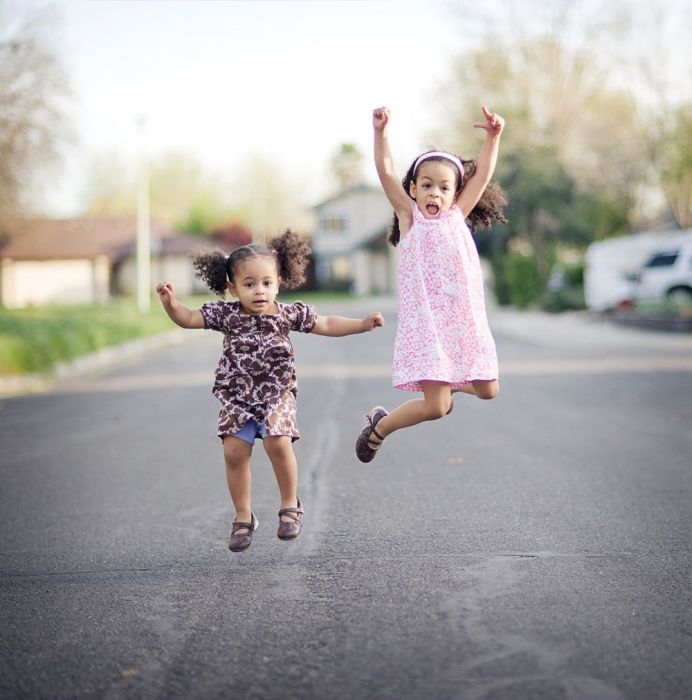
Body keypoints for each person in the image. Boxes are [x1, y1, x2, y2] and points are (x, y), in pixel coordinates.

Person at [157, 230, 384, 552]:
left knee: (278, 442)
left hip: (277, 392)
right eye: (249, 284)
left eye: (266, 283)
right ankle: (243, 516)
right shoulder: (227, 315)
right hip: (237, 396)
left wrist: (361, 324)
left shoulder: (287, 313)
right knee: (234, 452)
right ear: (232, 288)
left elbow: (327, 324)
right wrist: (171, 304)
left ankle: (290, 505)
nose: (259, 291)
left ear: (278, 282)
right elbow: (190, 319)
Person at [355, 105, 508, 463]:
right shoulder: (410, 219)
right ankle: (379, 428)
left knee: (489, 389)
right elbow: (385, 171)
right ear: (413, 189)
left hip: (461, 321)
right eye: (426, 186)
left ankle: (448, 380)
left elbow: (482, 175)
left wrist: (493, 137)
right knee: (437, 408)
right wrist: (381, 133)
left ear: (455, 194)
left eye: (444, 187)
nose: (434, 194)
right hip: (426, 327)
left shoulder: (458, 215)